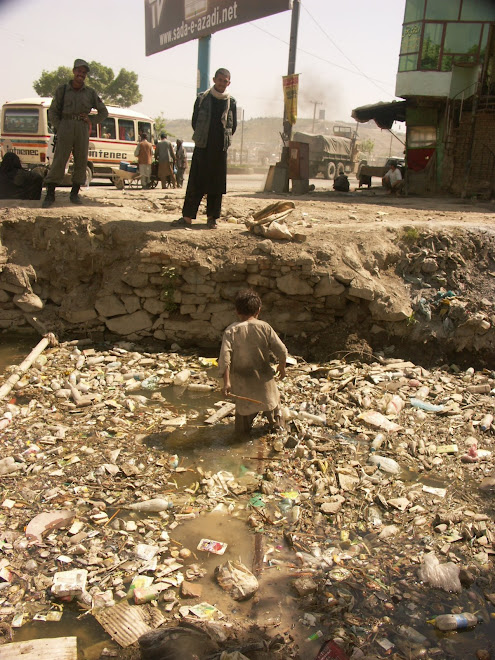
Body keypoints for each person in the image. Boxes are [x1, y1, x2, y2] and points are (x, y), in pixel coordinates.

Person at [172, 67, 237, 230]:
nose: (222, 83)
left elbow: (232, 126)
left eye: (225, 81)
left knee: (216, 185)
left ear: (229, 83)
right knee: (196, 182)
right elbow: (195, 122)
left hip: (219, 150)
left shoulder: (231, 102)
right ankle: (187, 217)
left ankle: (212, 218)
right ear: (214, 80)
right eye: (220, 80)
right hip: (203, 147)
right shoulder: (202, 98)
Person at [218, 289, 288, 434]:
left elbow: (225, 359)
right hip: (264, 381)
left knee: (242, 424)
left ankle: (241, 439)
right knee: (273, 406)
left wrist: (227, 383)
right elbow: (281, 350)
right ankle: (279, 431)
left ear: (237, 311)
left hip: (243, 384)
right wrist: (282, 366)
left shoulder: (231, 331)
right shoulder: (264, 327)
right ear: (259, 310)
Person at [42, 59, 108, 208]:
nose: (81, 75)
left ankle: (75, 193)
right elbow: (53, 111)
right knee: (60, 158)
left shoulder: (90, 93)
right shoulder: (62, 90)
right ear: (73, 71)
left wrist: (91, 119)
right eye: (79, 71)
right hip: (65, 125)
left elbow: (104, 112)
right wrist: (59, 126)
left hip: (82, 127)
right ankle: (50, 193)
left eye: (84, 73)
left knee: (81, 160)